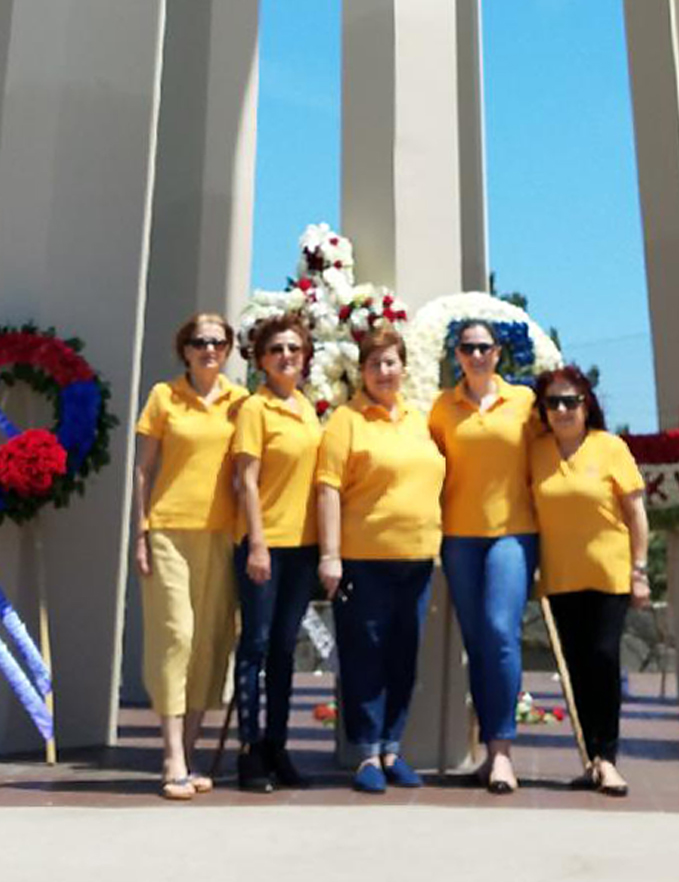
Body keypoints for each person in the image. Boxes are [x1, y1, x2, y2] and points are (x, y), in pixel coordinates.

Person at [316, 324, 446, 794]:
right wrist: (330, 556)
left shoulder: (419, 419)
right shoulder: (345, 421)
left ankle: (393, 747)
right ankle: (367, 753)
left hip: (417, 559)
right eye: (374, 364)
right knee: (363, 655)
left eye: (390, 362)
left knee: (403, 656)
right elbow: (328, 489)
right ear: (362, 372)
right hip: (363, 559)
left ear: (404, 368)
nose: (383, 371)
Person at [132, 312, 245, 801]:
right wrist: (139, 531)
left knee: (209, 644)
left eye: (218, 342)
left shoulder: (241, 403)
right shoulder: (164, 397)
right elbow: (142, 471)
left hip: (222, 534)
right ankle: (171, 755)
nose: (209, 349)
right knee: (175, 635)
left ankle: (191, 751)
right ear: (185, 349)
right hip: (169, 530)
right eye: (199, 341)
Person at [528, 364, 650, 797]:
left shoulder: (610, 447)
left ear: (587, 404)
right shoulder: (536, 452)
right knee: (575, 669)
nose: (562, 410)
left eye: (570, 401)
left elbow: (636, 513)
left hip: (609, 574)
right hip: (560, 579)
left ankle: (610, 758)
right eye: (553, 403)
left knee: (603, 659)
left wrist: (640, 571)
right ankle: (590, 757)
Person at [428, 318, 539, 794]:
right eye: (467, 348)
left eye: (484, 348)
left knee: (500, 633)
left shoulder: (526, 403)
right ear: (457, 355)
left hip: (512, 534)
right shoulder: (441, 409)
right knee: (477, 643)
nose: (476, 356)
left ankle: (502, 753)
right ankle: (486, 750)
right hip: (458, 536)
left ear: (499, 353)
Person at [231, 312, 323, 794]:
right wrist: (258, 543)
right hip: (265, 545)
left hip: (303, 548)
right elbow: (246, 478)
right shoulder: (255, 409)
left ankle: (278, 746)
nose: (286, 357)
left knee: (286, 651)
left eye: (293, 349)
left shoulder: (307, 409)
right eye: (276, 350)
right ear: (261, 361)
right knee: (256, 646)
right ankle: (249, 751)